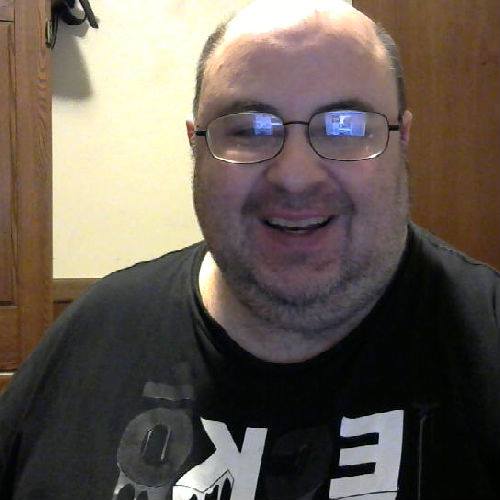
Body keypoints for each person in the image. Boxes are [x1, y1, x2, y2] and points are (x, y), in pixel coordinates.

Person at [1, 1, 499, 498]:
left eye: (344, 126)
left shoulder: (487, 341)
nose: (295, 177)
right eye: (249, 129)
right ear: (195, 147)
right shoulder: (91, 342)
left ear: (402, 140)